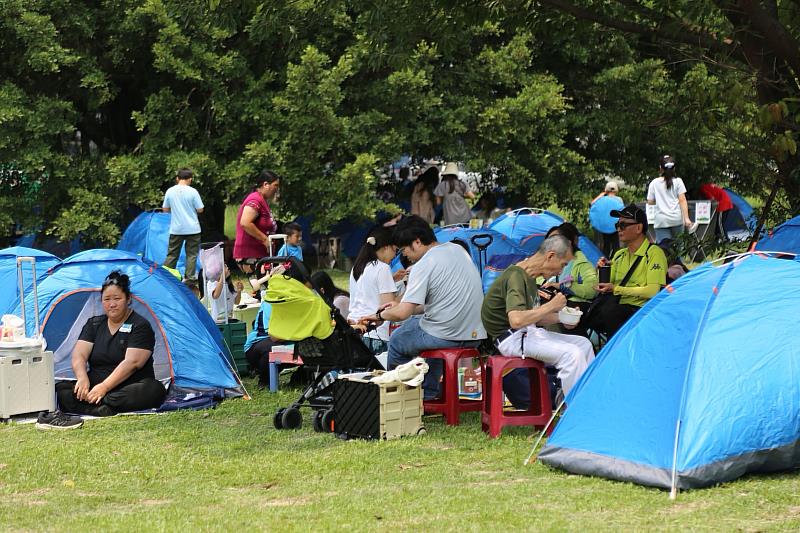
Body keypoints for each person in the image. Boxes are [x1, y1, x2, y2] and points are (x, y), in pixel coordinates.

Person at [359, 215, 486, 400]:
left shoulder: (424, 264)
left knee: (397, 340)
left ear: (417, 242)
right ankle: (429, 392)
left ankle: (400, 397)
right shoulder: (457, 250)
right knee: (423, 325)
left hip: (447, 335)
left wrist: (380, 315)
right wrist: (397, 306)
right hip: (475, 335)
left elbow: (403, 313)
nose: (404, 255)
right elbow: (428, 305)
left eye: (404, 250)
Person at [481, 235, 595, 397]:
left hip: (527, 333)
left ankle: (587, 399)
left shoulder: (529, 276)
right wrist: (551, 306)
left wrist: (561, 318)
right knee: (572, 355)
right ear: (550, 256)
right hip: (510, 339)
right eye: (562, 265)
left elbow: (534, 317)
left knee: (584, 344)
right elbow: (517, 320)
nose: (561, 271)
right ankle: (574, 411)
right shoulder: (516, 276)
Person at [48, 271, 167, 421]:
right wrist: (82, 377)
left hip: (128, 386)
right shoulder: (94, 324)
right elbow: (79, 355)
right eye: (107, 299)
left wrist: (104, 388)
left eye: (117, 299)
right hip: (96, 384)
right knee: (61, 390)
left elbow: (133, 363)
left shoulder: (140, 325)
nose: (112, 304)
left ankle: (95, 404)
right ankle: (100, 406)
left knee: (154, 390)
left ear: (128, 299)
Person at [584, 204, 668, 338]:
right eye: (617, 225)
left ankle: (614, 351)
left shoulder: (654, 253)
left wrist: (617, 289)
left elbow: (652, 291)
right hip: (616, 307)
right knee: (584, 310)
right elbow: (608, 286)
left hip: (641, 311)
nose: (618, 229)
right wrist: (600, 270)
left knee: (610, 312)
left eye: (623, 225)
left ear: (639, 228)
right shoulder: (619, 254)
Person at [347, 227, 404, 354]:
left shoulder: (357, 267)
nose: (395, 255)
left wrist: (392, 279)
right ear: (385, 247)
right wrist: (410, 289)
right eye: (394, 250)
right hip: (375, 335)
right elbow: (389, 307)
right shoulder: (383, 268)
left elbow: (367, 289)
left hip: (353, 332)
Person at [541, 223, 598, 321]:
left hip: (572, 308)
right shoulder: (545, 262)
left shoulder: (581, 264)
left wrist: (563, 287)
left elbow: (592, 290)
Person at [234, 170, 281, 273]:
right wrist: (264, 239)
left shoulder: (261, 200)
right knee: (262, 286)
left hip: (259, 254)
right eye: (275, 185)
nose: (277, 189)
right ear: (265, 184)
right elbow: (245, 223)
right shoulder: (255, 200)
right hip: (250, 254)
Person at [162, 168, 204, 280]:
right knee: (191, 255)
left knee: (172, 255)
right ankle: (190, 279)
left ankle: (166, 277)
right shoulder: (193, 192)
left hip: (176, 229)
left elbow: (165, 209)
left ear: (177, 178)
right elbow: (200, 209)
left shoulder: (170, 191)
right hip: (193, 229)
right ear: (190, 179)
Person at [647, 155, 694, 243]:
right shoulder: (678, 181)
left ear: (660, 168)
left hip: (661, 221)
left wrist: (660, 200)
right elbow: (682, 200)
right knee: (679, 249)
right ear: (674, 168)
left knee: (664, 250)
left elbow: (650, 201)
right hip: (676, 219)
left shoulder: (654, 183)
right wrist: (686, 218)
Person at [589, 181, 624, 258]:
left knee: (606, 245)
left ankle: (605, 263)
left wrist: (601, 195)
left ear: (606, 189)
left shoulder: (602, 200)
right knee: (616, 245)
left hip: (604, 226)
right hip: (615, 226)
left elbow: (592, 204)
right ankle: (617, 261)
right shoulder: (619, 200)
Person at [243, 301, 273, 389]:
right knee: (271, 348)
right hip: (257, 344)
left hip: (280, 339)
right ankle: (264, 380)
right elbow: (273, 335)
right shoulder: (269, 304)